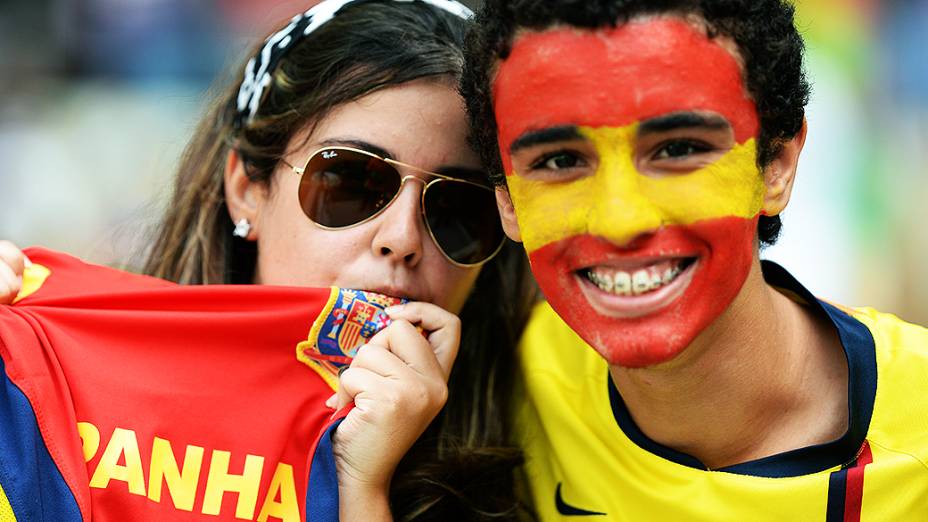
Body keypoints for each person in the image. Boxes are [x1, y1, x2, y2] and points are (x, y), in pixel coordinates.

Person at [0, 0, 536, 520]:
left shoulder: (544, 452)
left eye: (459, 208)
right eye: (352, 181)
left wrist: (359, 487)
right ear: (246, 190)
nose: (402, 238)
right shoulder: (48, 373)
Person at [461, 0, 928, 519]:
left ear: (776, 164)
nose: (620, 221)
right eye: (560, 161)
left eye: (678, 149)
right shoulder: (496, 379)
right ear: (506, 199)